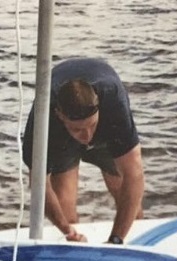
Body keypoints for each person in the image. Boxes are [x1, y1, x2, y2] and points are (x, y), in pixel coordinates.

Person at [22, 57, 145, 244]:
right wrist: (67, 230)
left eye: (90, 126)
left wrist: (116, 240)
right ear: (60, 115)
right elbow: (40, 187)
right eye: (78, 129)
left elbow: (134, 175)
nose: (87, 136)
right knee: (64, 213)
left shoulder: (113, 102)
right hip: (61, 138)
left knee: (131, 207)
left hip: (106, 130)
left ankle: (126, 245)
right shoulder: (43, 118)